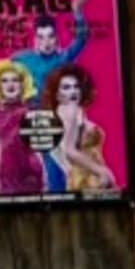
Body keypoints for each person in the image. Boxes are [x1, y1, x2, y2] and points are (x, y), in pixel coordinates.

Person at [0, 59, 46, 199]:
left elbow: (42, 142)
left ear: (23, 84)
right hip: (1, 174)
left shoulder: (30, 109)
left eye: (15, 80)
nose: (10, 85)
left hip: (29, 174)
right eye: (4, 80)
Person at [49, 63, 118, 196]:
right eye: (66, 88)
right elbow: (69, 151)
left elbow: (58, 151)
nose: (73, 91)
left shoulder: (67, 112)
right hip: (88, 178)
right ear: (57, 94)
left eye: (76, 87)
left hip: (85, 177)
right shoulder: (70, 111)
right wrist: (102, 171)